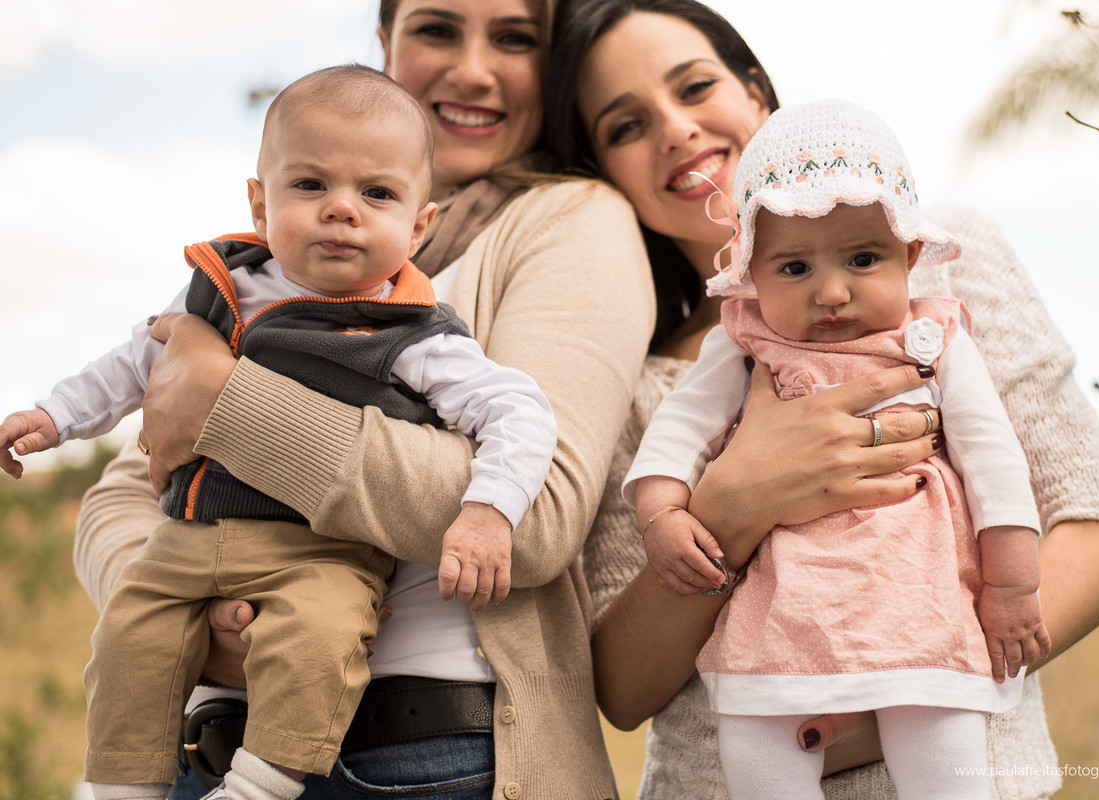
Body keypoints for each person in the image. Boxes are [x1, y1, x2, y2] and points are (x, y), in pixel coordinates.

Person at [544, 1, 1099, 798]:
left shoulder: (944, 278)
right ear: (602, 170)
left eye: (695, 87)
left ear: (756, 94)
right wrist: (730, 507)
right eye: (624, 126)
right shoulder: (633, 375)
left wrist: (893, 686)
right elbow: (624, 691)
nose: (675, 130)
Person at [72, 1, 662, 798]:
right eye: (436, 29)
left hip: (422, 757)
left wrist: (228, 399)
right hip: (212, 750)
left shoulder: (567, 222)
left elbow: (541, 511)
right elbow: (124, 495)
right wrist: (196, 615)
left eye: (515, 38)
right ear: (385, 44)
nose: (473, 69)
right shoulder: (268, 271)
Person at [4, 65, 559, 800]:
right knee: (130, 636)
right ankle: (123, 786)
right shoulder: (219, 289)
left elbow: (518, 410)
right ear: (259, 206)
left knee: (322, 637)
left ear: (419, 225)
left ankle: (262, 784)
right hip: (189, 534)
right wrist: (55, 417)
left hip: (319, 549)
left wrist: (490, 509)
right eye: (310, 186)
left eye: (378, 194)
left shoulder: (415, 331)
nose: (342, 210)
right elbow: (135, 362)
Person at [625, 98, 1051, 798]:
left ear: (910, 256)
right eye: (793, 268)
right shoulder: (743, 342)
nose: (831, 291)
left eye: (862, 258)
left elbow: (992, 460)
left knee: (945, 747)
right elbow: (678, 430)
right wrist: (662, 514)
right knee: (755, 741)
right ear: (752, 273)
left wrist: (1011, 586)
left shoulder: (935, 341)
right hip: (786, 608)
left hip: (918, 601)